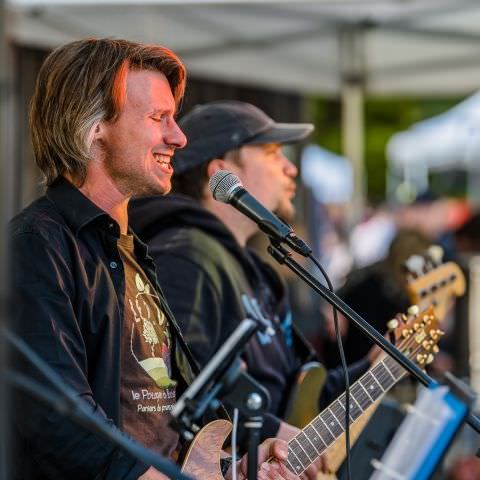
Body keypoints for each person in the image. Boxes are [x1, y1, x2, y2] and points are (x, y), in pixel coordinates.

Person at [9, 40, 296, 480]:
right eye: (157, 118)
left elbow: (164, 415)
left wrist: (235, 462)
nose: (178, 137)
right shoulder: (37, 244)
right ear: (94, 126)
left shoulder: (133, 250)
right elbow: (57, 420)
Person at [129, 101, 377, 478]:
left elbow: (300, 392)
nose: (291, 168)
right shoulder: (185, 256)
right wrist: (274, 433)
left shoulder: (254, 270)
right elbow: (174, 390)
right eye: (273, 153)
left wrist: (376, 367)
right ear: (222, 173)